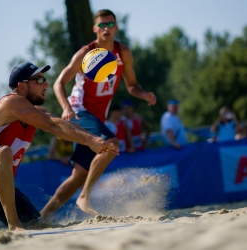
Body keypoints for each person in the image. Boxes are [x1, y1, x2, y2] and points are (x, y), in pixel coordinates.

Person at [0, 62, 118, 231]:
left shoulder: (35, 111)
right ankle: (14, 226)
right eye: (39, 80)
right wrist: (90, 141)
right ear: (21, 86)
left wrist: (93, 138)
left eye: (44, 79)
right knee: (3, 152)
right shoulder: (11, 103)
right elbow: (52, 125)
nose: (45, 84)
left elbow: (59, 124)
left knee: (39, 226)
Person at [41, 9, 157, 218]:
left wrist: (144, 94)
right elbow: (59, 82)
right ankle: (84, 197)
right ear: (95, 29)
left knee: (78, 176)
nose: (106, 29)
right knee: (112, 144)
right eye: (101, 25)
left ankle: (41, 216)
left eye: (110, 24)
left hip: (96, 117)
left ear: (116, 28)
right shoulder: (86, 53)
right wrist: (66, 107)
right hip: (80, 110)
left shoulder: (124, 53)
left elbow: (131, 85)